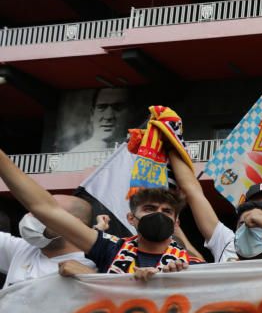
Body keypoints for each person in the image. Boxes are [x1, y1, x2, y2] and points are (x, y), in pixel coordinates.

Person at [0, 148, 199, 279]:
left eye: (167, 211)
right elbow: (45, 208)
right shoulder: (110, 248)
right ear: (131, 218)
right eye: (149, 209)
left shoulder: (190, 263)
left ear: (176, 223)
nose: (158, 215)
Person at [0, 196, 97, 288]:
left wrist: (91, 278)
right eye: (34, 210)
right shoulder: (23, 249)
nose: (30, 216)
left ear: (74, 224)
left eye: (46, 212)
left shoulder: (88, 269)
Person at [65, 88, 130, 153]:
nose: (108, 116)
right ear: (92, 114)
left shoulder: (135, 154)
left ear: (130, 113)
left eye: (117, 107)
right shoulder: (73, 155)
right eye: (101, 107)